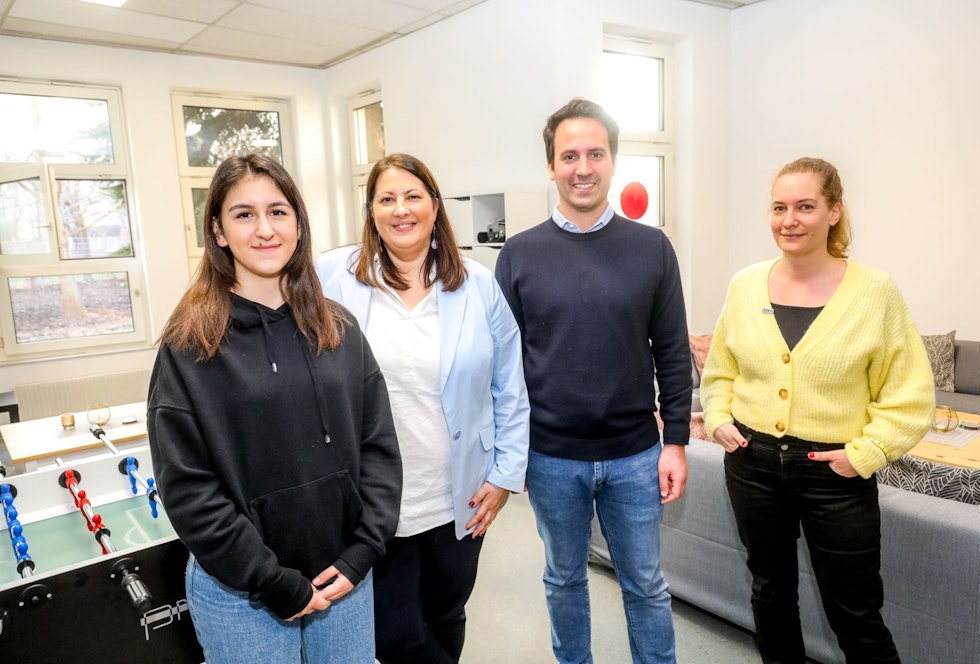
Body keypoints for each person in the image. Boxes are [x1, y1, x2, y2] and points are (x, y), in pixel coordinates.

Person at [147, 153, 402, 663]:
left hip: (343, 581)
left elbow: (379, 450)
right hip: (241, 594)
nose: (264, 229)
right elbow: (189, 488)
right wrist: (270, 580)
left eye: (278, 211)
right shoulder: (190, 345)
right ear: (218, 231)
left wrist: (361, 554)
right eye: (243, 214)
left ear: (298, 224)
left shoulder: (341, 330)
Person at [700, 157, 935, 664]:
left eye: (805, 206)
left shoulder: (875, 292)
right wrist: (718, 418)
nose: (790, 220)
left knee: (855, 613)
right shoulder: (744, 285)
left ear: (833, 212)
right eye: (780, 207)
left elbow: (911, 395)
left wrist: (866, 453)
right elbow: (720, 369)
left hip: (836, 475)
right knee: (770, 595)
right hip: (752, 464)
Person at [495, 98, 692, 664]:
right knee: (563, 580)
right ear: (551, 167)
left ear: (613, 161)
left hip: (635, 455)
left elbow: (674, 352)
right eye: (570, 155)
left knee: (647, 586)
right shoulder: (518, 255)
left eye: (595, 154)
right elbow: (505, 369)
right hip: (552, 458)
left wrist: (674, 440)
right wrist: (513, 455)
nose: (583, 167)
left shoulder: (652, 248)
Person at [316, 152, 529, 663]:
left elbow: (511, 387)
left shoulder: (477, 285)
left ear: (435, 205)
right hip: (375, 500)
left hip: (458, 495)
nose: (400, 209)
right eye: (386, 199)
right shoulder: (334, 277)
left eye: (412, 196)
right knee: (392, 634)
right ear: (371, 212)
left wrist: (504, 475)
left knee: (446, 616)